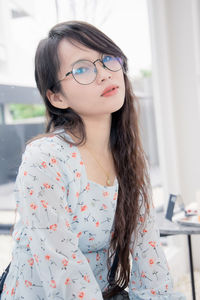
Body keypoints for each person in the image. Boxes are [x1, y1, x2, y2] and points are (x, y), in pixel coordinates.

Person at [1, 21, 185, 300]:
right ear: (57, 97)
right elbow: (65, 277)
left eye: (107, 59)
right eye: (82, 69)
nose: (104, 74)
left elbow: (151, 262)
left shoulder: (131, 158)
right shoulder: (45, 160)